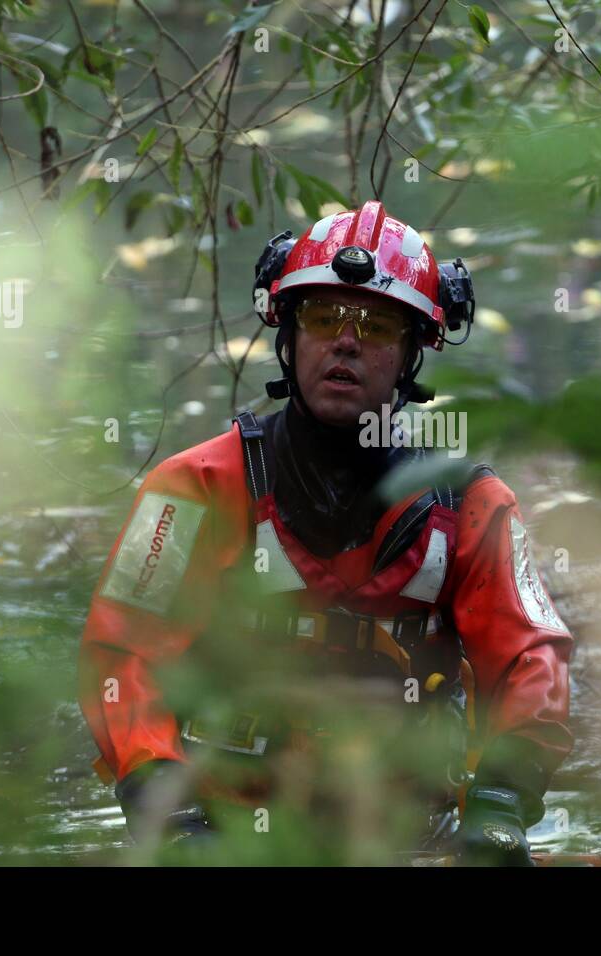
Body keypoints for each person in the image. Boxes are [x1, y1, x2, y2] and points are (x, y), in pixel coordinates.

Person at [78, 200, 573, 865]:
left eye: (375, 324)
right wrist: (170, 809)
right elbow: (121, 655)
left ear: (410, 354)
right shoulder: (191, 489)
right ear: (289, 335)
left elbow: (529, 662)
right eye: (322, 317)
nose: (346, 339)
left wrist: (500, 807)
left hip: (407, 835)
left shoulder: (472, 507)